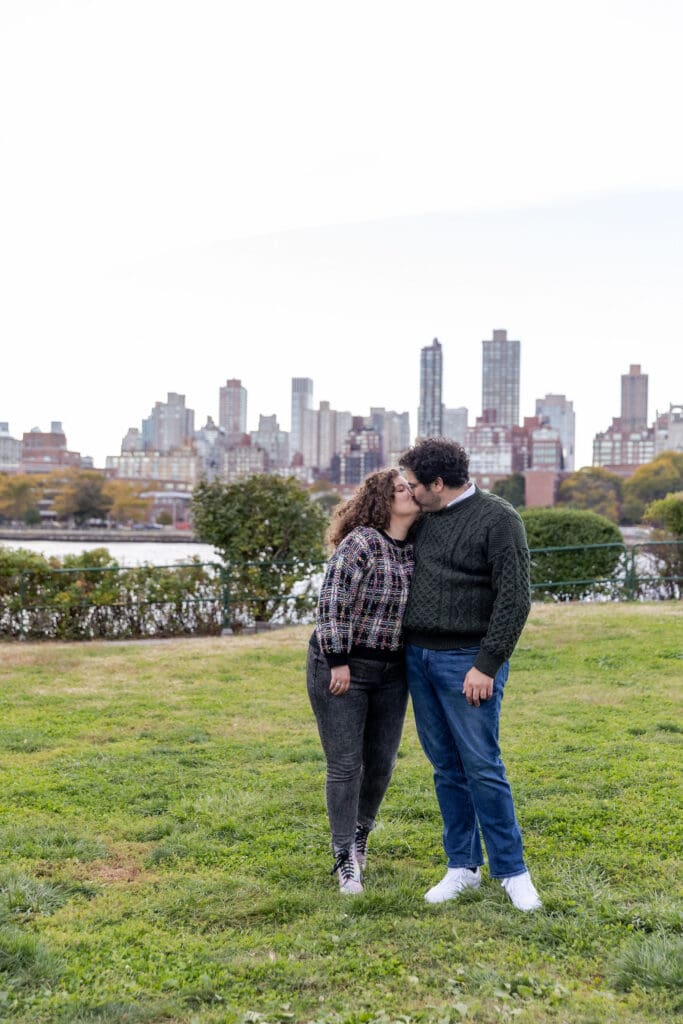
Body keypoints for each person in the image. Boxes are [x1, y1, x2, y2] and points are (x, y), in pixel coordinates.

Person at [399, 437, 541, 912]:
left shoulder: (499, 519)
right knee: (446, 768)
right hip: (418, 658)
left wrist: (487, 665)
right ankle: (462, 866)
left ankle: (513, 872)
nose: (410, 491)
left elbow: (515, 599)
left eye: (415, 484)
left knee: (482, 766)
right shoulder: (422, 517)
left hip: (467, 662)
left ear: (439, 483)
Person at [307, 468, 420, 894]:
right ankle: (343, 858)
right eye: (399, 489)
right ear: (382, 500)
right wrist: (337, 659)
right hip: (344, 668)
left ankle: (360, 835)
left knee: (383, 762)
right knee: (346, 765)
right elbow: (332, 599)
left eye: (410, 487)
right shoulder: (362, 542)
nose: (408, 492)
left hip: (393, 672)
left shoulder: (415, 548)